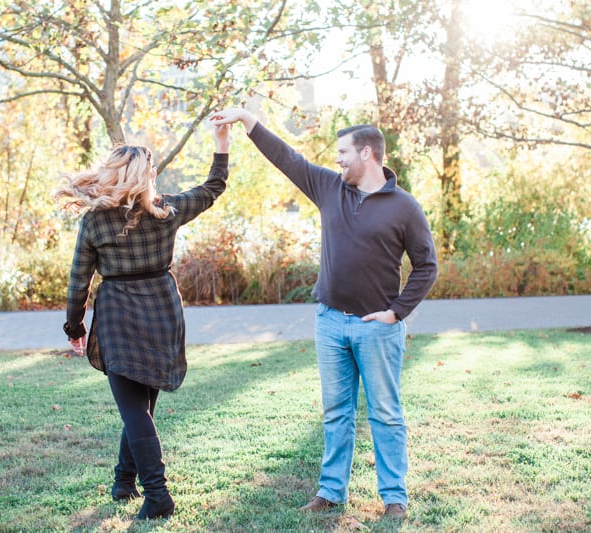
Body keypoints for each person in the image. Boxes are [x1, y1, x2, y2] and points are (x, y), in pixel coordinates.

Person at [210, 108, 437, 519]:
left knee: (385, 414)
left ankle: (394, 498)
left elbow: (427, 266)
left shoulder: (404, 207)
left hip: (376, 328)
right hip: (330, 321)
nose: (337, 160)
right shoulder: (330, 188)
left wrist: (396, 313)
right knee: (336, 412)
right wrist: (248, 121)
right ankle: (331, 491)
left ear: (367, 153)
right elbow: (288, 159)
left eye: (344, 152)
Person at [54, 124, 231, 520]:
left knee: (135, 409)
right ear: (147, 176)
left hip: (118, 313)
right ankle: (123, 480)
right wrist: (222, 144)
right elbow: (214, 186)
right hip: (162, 310)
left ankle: (158, 496)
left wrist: (74, 327)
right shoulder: (167, 211)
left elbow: (78, 280)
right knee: (141, 407)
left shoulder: (96, 222)